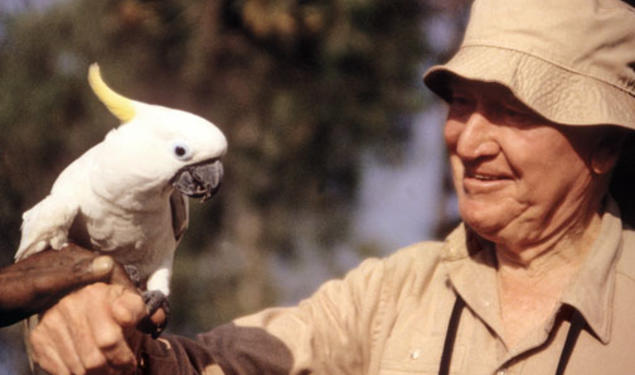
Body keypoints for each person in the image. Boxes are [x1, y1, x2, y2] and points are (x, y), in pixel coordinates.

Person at [2, 0, 634, 373]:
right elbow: (214, 366)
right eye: (461, 103)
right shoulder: (388, 294)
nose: (467, 141)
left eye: (515, 112)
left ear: (605, 145)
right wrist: (113, 346)